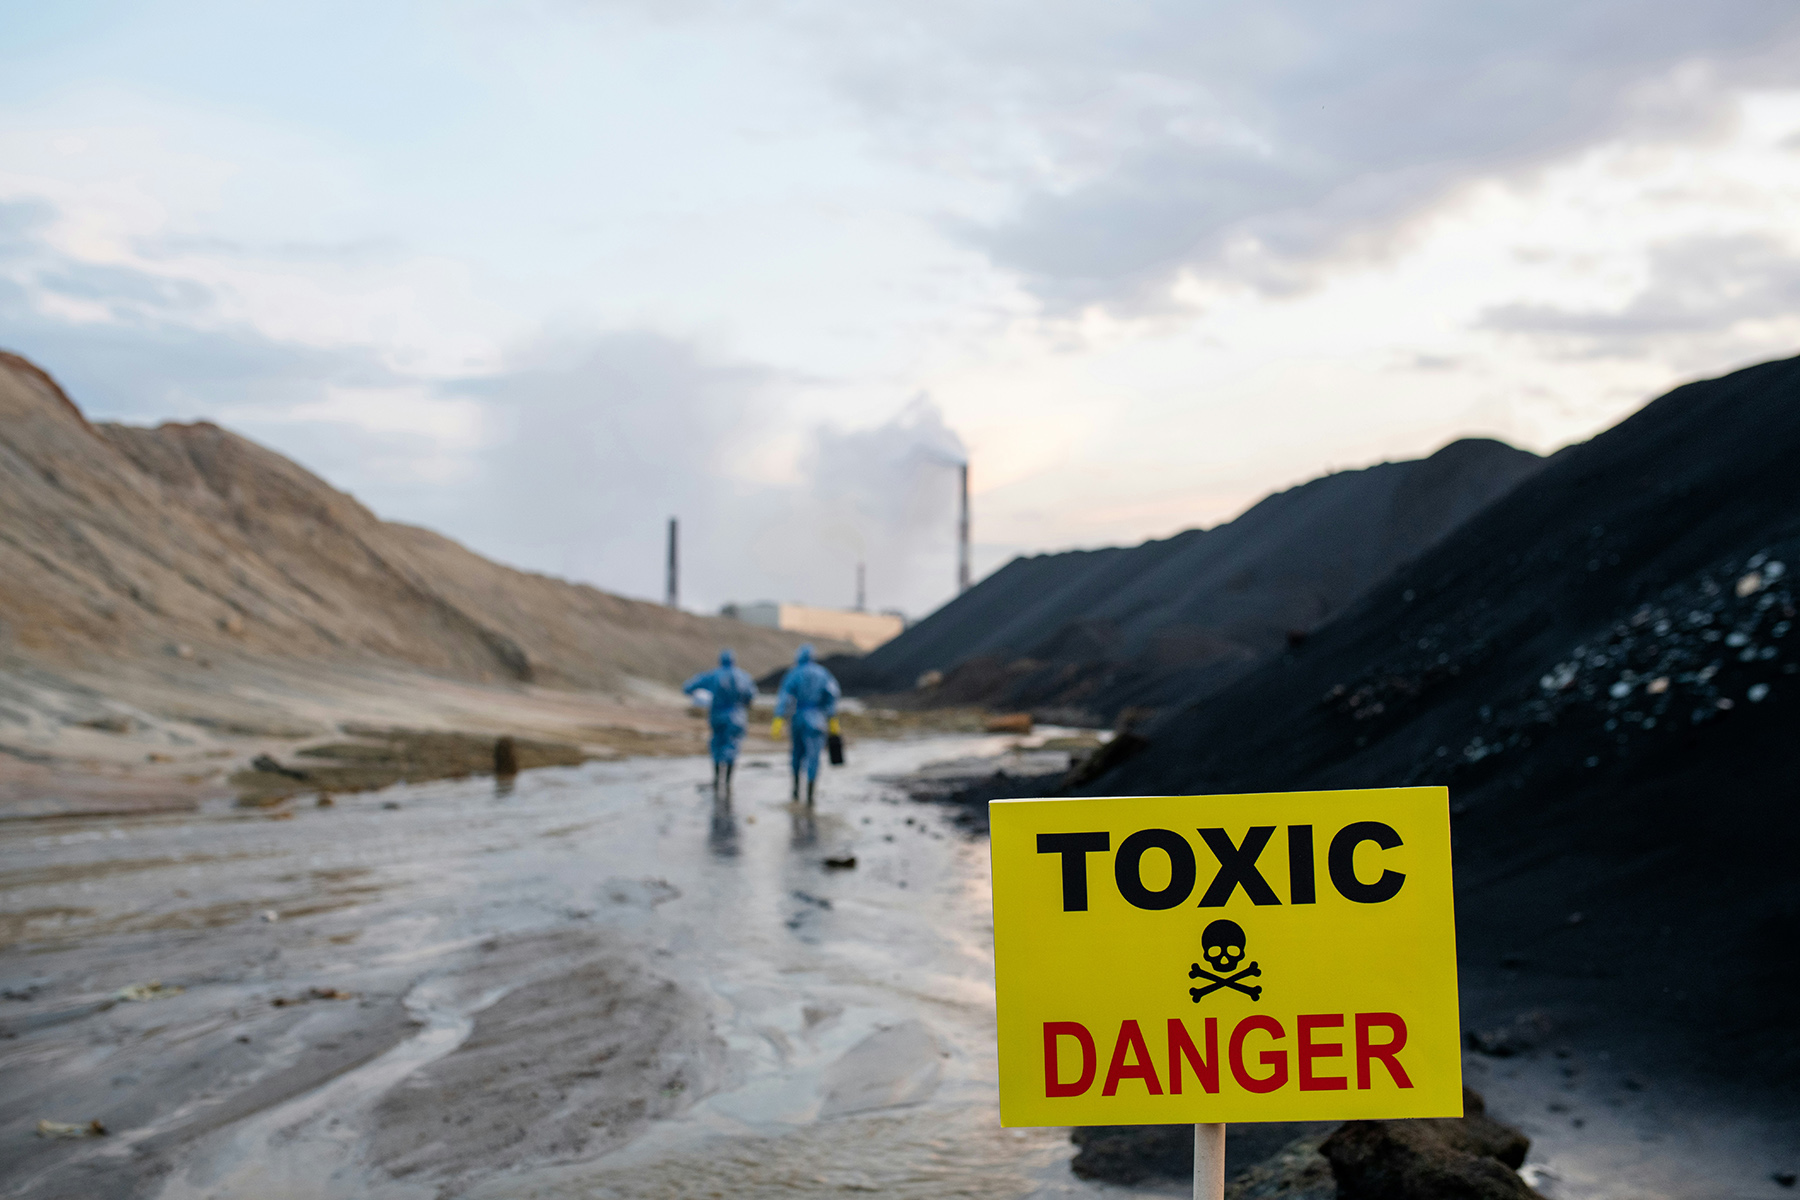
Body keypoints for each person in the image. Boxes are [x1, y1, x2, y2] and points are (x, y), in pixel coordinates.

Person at [771, 644, 840, 806]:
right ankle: (810, 795)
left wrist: (778, 719)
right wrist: (833, 720)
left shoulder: (793, 673)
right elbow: (832, 696)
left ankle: (795, 791)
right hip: (817, 720)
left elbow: (785, 698)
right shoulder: (823, 674)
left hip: (798, 719)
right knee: (813, 757)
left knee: (796, 753)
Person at [683, 649, 758, 797]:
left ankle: (717, 780)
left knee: (717, 745)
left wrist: (696, 696)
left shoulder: (713, 675)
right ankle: (728, 783)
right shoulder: (743, 676)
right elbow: (751, 695)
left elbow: (688, 687)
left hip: (717, 715)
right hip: (737, 716)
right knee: (733, 747)